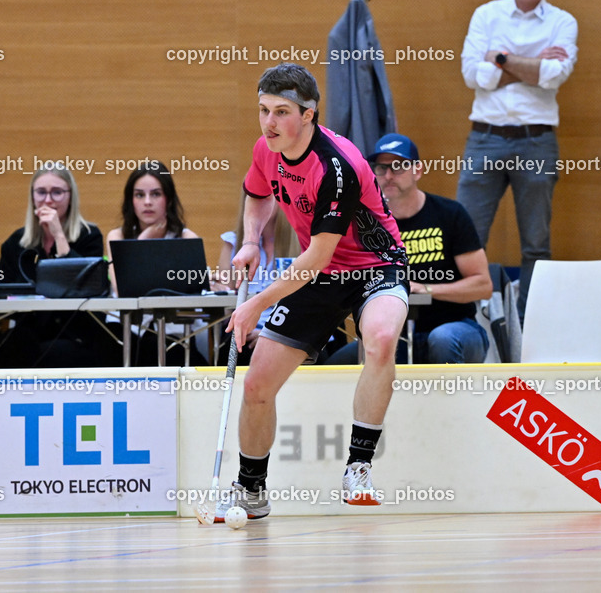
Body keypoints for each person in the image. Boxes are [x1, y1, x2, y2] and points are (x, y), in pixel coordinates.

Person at [217, 63, 408, 521]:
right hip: (317, 274)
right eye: (263, 110)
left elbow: (317, 258)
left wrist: (253, 308)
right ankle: (251, 492)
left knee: (380, 340)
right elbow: (258, 192)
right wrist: (248, 240)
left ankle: (358, 468)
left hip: (373, 267)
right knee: (258, 383)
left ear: (308, 115)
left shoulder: (336, 167)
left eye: (281, 112)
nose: (269, 123)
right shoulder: (268, 148)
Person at [457, 0, 577, 317]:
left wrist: (501, 59)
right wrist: (532, 64)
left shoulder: (563, 22)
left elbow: (553, 77)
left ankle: (531, 333)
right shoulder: (486, 15)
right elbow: (473, 76)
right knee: (465, 240)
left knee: (536, 245)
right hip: (484, 138)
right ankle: (464, 327)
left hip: (536, 141)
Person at [330, 134, 492, 364]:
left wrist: (425, 289)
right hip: (394, 334)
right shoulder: (365, 223)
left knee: (442, 339)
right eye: (380, 168)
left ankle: (450, 400)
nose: (388, 176)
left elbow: (483, 286)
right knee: (338, 364)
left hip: (456, 327)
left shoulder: (450, 214)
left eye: (398, 167)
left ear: (418, 170)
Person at [0, 165, 110, 367]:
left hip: (77, 332)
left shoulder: (89, 236)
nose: (48, 200)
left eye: (57, 192)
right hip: (30, 332)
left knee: (58, 353)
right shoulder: (16, 242)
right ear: (32, 197)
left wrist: (59, 236)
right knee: (9, 349)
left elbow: (90, 287)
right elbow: (3, 292)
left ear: (70, 196)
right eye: (41, 192)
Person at [106, 160, 202, 366]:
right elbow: (121, 287)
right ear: (131, 200)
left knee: (160, 350)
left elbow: (194, 292)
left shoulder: (185, 238)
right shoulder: (117, 236)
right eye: (140, 195)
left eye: (156, 194)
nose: (147, 202)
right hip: (125, 331)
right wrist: (144, 240)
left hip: (175, 333)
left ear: (168, 199)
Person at [213, 194, 299, 366]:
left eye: (266, 196)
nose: (259, 204)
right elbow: (224, 313)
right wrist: (217, 290)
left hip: (293, 330)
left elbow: (310, 304)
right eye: (253, 197)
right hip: (246, 330)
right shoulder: (234, 243)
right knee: (235, 344)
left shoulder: (303, 241)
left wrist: (270, 334)